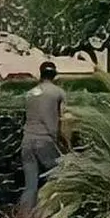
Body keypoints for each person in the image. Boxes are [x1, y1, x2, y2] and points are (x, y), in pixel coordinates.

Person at [20, 61, 66, 209]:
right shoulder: (58, 92)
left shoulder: (30, 93)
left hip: (27, 142)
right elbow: (63, 119)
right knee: (59, 178)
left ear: (41, 74)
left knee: (30, 186)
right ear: (55, 74)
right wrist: (62, 141)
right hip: (45, 140)